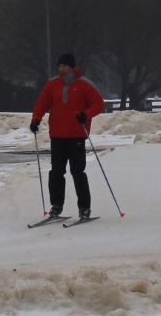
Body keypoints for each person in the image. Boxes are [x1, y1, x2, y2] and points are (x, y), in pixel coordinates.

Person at [29, 52, 106, 220]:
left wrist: (86, 115)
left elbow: (99, 104)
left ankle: (84, 208)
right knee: (56, 172)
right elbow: (41, 103)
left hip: (77, 135)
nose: (61, 69)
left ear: (72, 67)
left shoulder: (84, 84)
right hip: (57, 135)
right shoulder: (52, 85)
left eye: (64, 65)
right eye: (59, 66)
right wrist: (36, 119)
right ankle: (56, 206)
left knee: (77, 172)